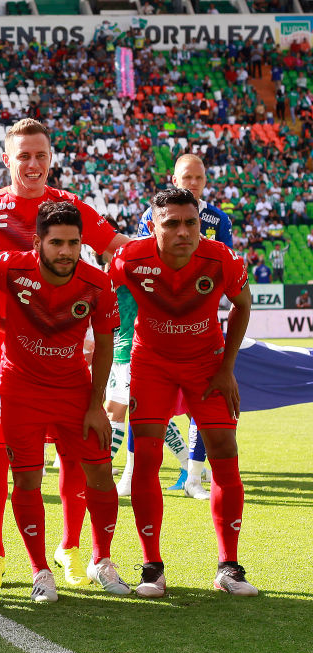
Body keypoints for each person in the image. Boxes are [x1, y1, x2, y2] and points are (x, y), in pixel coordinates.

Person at [0, 118, 127, 592]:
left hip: (64, 352)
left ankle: (72, 548)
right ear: (6, 159)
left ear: (50, 157)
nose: (32, 165)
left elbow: (115, 249)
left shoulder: (71, 206)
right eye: (23, 156)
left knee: (76, 455)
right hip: (4, 353)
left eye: (40, 156)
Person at [108, 187, 256, 598]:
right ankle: (152, 566)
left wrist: (227, 368)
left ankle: (229, 566)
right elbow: (99, 295)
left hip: (206, 365)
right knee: (147, 457)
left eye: (190, 222)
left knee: (225, 451)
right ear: (152, 226)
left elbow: (242, 304)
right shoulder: (130, 258)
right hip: (150, 363)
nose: (183, 232)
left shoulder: (220, 257)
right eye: (171, 223)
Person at [128, 154, 235, 497]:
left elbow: (224, 269)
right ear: (174, 180)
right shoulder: (153, 215)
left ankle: (194, 477)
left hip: (199, 326)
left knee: (201, 407)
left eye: (199, 178)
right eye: (186, 177)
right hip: (155, 327)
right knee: (140, 405)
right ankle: (131, 474)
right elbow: (141, 262)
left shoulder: (218, 219)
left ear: (206, 180)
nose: (193, 183)